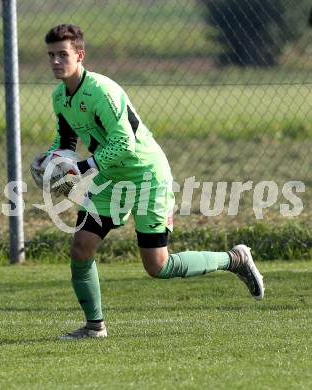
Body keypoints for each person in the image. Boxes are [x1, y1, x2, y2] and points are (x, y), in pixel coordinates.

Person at [31, 24, 264, 339]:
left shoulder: (102, 91)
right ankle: (94, 326)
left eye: (63, 54)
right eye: (51, 55)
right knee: (81, 247)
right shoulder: (60, 97)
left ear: (80, 55)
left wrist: (84, 167)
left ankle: (235, 259)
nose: (56, 61)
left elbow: (123, 143)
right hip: (111, 177)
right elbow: (66, 140)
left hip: (146, 174)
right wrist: (49, 159)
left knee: (158, 266)